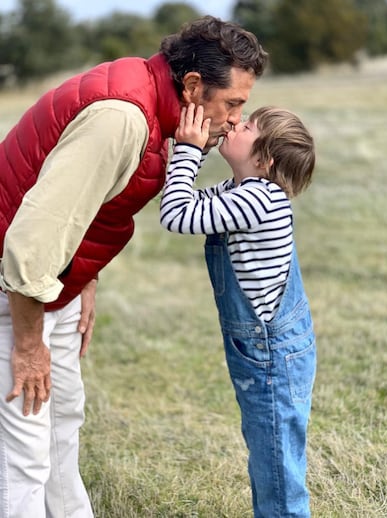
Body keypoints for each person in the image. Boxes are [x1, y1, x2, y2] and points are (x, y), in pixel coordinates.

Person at [0, 16, 268, 518]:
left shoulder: (146, 96)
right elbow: (30, 243)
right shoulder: (122, 116)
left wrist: (85, 277)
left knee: (61, 424)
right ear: (192, 86)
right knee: (24, 455)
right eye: (232, 103)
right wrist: (29, 344)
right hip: (17, 289)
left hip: (52, 285)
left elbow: (83, 202)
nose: (235, 120)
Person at [160, 103, 317, 517]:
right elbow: (189, 202)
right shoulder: (239, 192)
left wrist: (189, 151)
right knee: (269, 452)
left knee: (277, 468)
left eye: (248, 126)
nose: (235, 122)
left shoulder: (258, 200)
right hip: (265, 352)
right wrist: (176, 150)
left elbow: (176, 215)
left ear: (264, 159)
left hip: (271, 358)